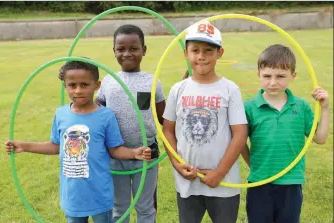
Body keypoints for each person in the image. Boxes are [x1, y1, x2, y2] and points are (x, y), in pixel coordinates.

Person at [5, 60, 152, 223]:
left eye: (84, 85)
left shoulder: (106, 116)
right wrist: (24, 146)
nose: (78, 90)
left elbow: (114, 150)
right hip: (73, 197)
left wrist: (133, 153)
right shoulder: (60, 114)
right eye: (72, 85)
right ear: (65, 86)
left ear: (97, 85)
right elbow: (55, 146)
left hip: (100, 196)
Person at [162, 21, 248, 223]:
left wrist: (219, 173)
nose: (201, 56)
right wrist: (177, 164)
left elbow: (240, 134)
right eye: (195, 50)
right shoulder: (178, 90)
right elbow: (167, 131)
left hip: (224, 184)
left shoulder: (230, 89)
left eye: (208, 51)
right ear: (186, 53)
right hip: (187, 183)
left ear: (220, 53)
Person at [241, 44, 330, 223]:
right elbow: (240, 142)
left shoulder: (301, 106)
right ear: (259, 75)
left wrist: (325, 108)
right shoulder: (249, 107)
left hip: (291, 182)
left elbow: (320, 138)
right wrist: (253, 163)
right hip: (260, 182)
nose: (273, 82)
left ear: (293, 76)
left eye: (280, 76)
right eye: (267, 76)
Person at [95, 24, 166, 223]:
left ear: (144, 50)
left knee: (146, 207)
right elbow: (94, 112)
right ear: (114, 51)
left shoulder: (152, 82)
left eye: (134, 48)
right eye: (121, 49)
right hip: (115, 153)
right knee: (119, 207)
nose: (127, 53)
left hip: (146, 153)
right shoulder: (108, 81)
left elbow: (164, 118)